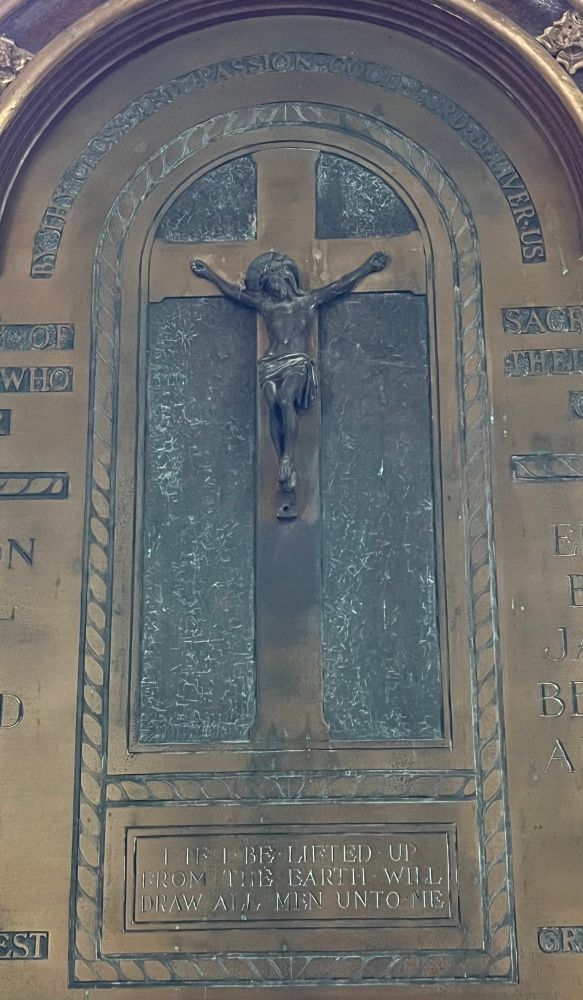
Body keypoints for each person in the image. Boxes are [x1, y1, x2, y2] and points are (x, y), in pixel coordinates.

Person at [191, 249, 389, 494]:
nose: (273, 289)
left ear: (286, 279)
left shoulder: (307, 301)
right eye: (268, 287)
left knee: (285, 399)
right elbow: (235, 293)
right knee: (273, 404)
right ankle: (281, 463)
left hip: (296, 361)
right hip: (270, 363)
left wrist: (368, 267)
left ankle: (288, 457)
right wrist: (209, 274)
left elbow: (341, 285)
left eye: (274, 283)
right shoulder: (266, 305)